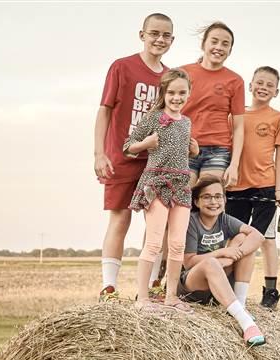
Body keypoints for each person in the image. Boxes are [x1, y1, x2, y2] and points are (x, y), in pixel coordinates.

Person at [94, 13, 176, 302]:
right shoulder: (122, 67)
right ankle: (109, 287)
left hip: (157, 161)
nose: (159, 39)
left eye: (166, 35)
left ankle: (152, 284)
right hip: (122, 155)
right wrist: (100, 153)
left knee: (157, 224)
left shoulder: (170, 77)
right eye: (154, 33)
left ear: (172, 40)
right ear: (142, 35)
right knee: (120, 218)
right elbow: (104, 110)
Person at [123, 68, 199, 311]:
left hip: (181, 185)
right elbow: (128, 147)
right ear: (164, 93)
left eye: (182, 93)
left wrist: (194, 149)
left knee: (177, 245)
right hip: (157, 183)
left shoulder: (187, 122)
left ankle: (171, 297)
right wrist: (146, 144)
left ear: (189, 94)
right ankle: (143, 299)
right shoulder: (153, 117)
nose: (177, 98)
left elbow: (182, 152)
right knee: (154, 243)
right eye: (172, 93)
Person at [225, 66, 280, 309]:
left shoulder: (279, 118)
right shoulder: (236, 116)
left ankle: (270, 291)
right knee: (235, 238)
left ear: (277, 91)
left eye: (269, 85)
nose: (263, 88)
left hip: (265, 187)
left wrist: (279, 189)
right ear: (250, 85)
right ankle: (229, 288)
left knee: (266, 240)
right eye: (259, 83)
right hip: (236, 187)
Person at [180, 175, 266, 346]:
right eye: (207, 197)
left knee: (244, 239)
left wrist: (235, 254)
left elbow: (258, 236)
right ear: (196, 202)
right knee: (211, 263)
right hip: (192, 284)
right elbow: (189, 262)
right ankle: (246, 323)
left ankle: (240, 304)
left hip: (218, 280)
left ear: (225, 200)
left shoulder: (224, 220)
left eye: (218, 196)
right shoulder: (191, 222)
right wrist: (221, 253)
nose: (214, 202)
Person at [180, 21, 245, 188]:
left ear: (230, 50)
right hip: (185, 146)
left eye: (225, 44)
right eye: (214, 41)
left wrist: (234, 165)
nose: (219, 47)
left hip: (218, 150)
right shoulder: (182, 73)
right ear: (203, 44)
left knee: (210, 199)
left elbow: (238, 127)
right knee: (183, 201)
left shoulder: (235, 81)